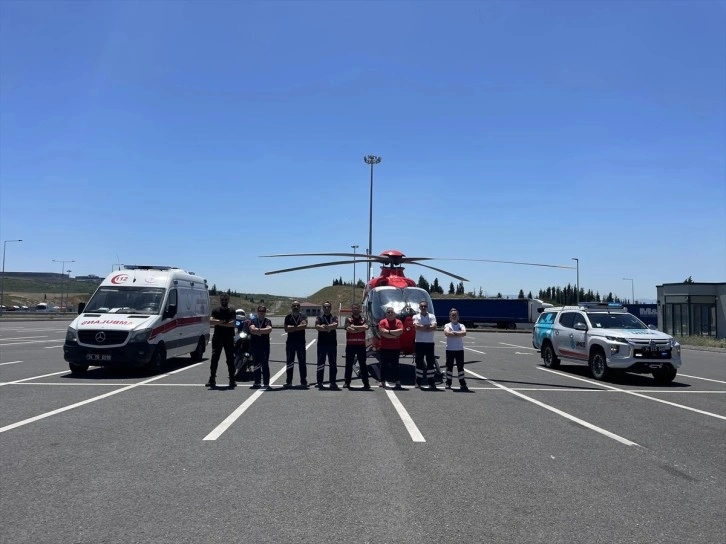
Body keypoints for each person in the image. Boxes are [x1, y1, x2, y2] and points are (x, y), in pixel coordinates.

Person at [206, 294, 236, 389]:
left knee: (230, 359)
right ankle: (212, 379)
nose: (224, 301)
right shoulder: (215, 310)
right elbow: (210, 322)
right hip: (217, 338)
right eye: (222, 299)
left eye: (225, 299)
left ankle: (232, 379)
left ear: (228, 300)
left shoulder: (232, 311)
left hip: (229, 338)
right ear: (220, 300)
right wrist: (224, 322)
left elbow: (233, 324)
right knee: (214, 359)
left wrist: (219, 322)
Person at [343, 303, 370, 390]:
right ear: (352, 310)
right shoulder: (348, 319)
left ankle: (366, 383)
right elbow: (349, 329)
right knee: (348, 365)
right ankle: (347, 382)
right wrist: (360, 328)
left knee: (363, 365)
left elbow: (366, 327)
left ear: (359, 309)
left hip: (361, 346)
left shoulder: (364, 319)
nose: (355, 309)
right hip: (350, 346)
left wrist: (354, 328)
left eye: (357, 308)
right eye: (354, 308)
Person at [413, 301, 438, 390]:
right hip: (419, 343)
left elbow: (434, 327)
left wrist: (423, 327)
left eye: (425, 306)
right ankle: (418, 381)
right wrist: (428, 326)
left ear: (427, 307)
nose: (423, 307)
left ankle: (431, 381)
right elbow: (417, 327)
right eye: (421, 306)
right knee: (419, 362)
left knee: (430, 363)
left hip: (429, 343)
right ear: (419, 307)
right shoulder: (416, 316)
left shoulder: (432, 316)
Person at [378, 307, 404, 389]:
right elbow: (382, 333)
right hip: (384, 347)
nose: (390, 313)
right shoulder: (382, 322)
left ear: (394, 313)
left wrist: (388, 332)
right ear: (386, 313)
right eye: (388, 312)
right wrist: (394, 335)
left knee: (395, 365)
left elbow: (400, 331)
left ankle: (397, 381)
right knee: (383, 365)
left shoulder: (398, 322)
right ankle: (382, 381)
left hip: (395, 348)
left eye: (391, 312)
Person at [443, 308, 469, 392]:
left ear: (458, 317)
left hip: (459, 350)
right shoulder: (447, 325)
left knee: (460, 368)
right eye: (452, 315)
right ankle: (448, 383)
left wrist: (453, 332)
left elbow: (464, 333)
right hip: (450, 349)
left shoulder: (461, 325)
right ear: (450, 317)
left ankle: (462, 384)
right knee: (449, 367)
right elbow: (447, 333)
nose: (454, 316)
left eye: (455, 315)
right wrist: (458, 333)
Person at [284, 301, 308, 388]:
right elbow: (286, 329)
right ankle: (289, 381)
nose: (296, 307)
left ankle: (303, 381)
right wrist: (298, 327)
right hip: (290, 343)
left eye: (297, 305)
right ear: (291, 307)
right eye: (294, 305)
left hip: (301, 343)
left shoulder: (303, 316)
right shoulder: (288, 317)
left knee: (302, 362)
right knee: (289, 362)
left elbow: (304, 325)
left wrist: (293, 328)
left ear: (300, 307)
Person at [315, 301, 339, 389]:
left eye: (328, 307)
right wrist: (328, 328)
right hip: (321, 344)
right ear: (323, 308)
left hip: (332, 344)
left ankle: (333, 382)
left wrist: (325, 327)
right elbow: (317, 326)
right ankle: (319, 382)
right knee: (320, 363)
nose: (327, 308)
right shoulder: (319, 317)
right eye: (325, 307)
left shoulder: (334, 317)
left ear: (331, 308)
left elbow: (335, 325)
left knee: (333, 364)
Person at [249, 305, 273, 388]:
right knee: (256, 364)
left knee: (265, 364)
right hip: (255, 345)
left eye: (263, 311)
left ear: (265, 312)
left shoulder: (267, 321)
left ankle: (266, 382)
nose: (261, 313)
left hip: (265, 346)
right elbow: (251, 329)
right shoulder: (253, 321)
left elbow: (269, 330)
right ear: (257, 312)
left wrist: (258, 330)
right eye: (260, 311)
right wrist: (262, 331)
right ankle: (257, 381)